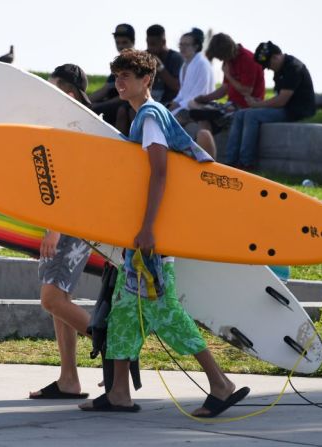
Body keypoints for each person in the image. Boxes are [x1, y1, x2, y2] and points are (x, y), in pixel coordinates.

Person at [79, 49, 249, 417]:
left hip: (150, 237)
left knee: (167, 313)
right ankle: (119, 393)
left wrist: (148, 228)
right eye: (118, 76)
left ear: (147, 81)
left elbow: (159, 173)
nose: (121, 83)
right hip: (141, 235)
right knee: (125, 315)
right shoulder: (145, 116)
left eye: (128, 76)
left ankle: (220, 383)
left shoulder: (152, 117)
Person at [28, 64, 95, 400]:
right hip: (68, 222)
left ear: (67, 93)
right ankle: (69, 379)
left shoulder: (75, 127)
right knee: (60, 301)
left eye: (53, 89)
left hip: (70, 223)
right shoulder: (74, 124)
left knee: (51, 299)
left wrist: (55, 228)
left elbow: (71, 184)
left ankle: (115, 348)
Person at [224, 41, 316, 170]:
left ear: (276, 57)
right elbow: (279, 97)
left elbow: (282, 100)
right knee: (240, 114)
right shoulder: (280, 68)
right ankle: (229, 161)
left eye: (268, 64)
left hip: (296, 111)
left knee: (251, 115)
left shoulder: (293, 67)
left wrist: (258, 105)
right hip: (285, 108)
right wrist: (259, 104)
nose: (268, 68)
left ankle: (246, 163)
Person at [192, 33, 265, 158]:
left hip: (247, 105)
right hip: (231, 104)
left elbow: (246, 90)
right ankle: (204, 153)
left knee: (211, 114)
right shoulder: (229, 61)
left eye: (221, 57)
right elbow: (224, 89)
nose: (221, 60)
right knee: (199, 113)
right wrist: (205, 98)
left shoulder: (248, 59)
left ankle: (209, 155)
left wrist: (228, 75)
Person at [89, 24, 135, 135]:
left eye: (124, 43)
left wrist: (99, 106)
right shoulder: (119, 63)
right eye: (118, 43)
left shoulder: (135, 63)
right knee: (87, 108)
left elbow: (126, 95)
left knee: (97, 111)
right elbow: (106, 89)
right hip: (114, 102)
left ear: (133, 42)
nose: (121, 46)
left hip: (127, 102)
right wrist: (84, 101)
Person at [168, 28, 214, 121]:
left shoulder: (202, 64)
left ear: (196, 46)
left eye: (186, 45)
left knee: (169, 122)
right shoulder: (185, 64)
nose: (182, 47)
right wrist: (174, 102)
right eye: (181, 44)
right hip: (185, 105)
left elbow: (200, 93)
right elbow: (183, 92)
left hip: (198, 107)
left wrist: (179, 104)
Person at [145, 24, 183, 105]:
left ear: (163, 42)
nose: (150, 48)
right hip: (148, 100)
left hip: (169, 103)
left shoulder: (176, 58)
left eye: (153, 44)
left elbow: (177, 86)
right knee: (125, 109)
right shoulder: (145, 55)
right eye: (148, 44)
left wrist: (160, 67)